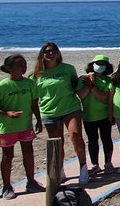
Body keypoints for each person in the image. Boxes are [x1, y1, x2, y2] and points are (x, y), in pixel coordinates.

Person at [0, 54, 42, 199]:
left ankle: (31, 182)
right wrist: (6, 113)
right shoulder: (1, 86)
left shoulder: (30, 83)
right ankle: (6, 186)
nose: (24, 67)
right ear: (9, 68)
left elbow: (34, 104)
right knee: (7, 156)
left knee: (28, 153)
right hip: (7, 128)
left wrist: (39, 120)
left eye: (24, 64)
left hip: (25, 126)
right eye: (19, 65)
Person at [32, 43, 87, 182]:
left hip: (71, 108)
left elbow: (76, 86)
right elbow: (33, 99)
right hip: (49, 112)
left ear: (58, 53)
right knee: (57, 143)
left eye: (53, 51)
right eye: (47, 51)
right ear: (42, 54)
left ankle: (83, 167)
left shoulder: (68, 69)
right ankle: (60, 170)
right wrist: (37, 118)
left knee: (75, 135)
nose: (50, 54)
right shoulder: (37, 74)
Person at [79, 54, 115, 180]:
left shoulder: (108, 81)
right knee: (92, 140)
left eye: (103, 64)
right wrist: (88, 84)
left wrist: (92, 85)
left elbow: (104, 98)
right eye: (97, 63)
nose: (99, 66)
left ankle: (108, 162)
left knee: (106, 139)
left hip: (104, 115)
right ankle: (95, 164)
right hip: (88, 116)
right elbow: (81, 95)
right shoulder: (83, 79)